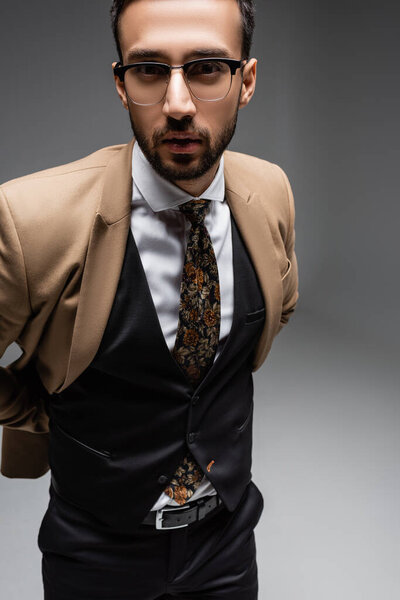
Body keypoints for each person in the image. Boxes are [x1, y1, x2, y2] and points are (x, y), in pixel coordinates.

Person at [0, 0, 299, 597]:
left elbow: (273, 313)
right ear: (120, 82)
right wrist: (42, 414)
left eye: (208, 68)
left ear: (247, 81)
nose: (179, 104)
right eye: (150, 70)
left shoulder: (270, 190)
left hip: (227, 538)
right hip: (96, 549)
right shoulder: (30, 219)